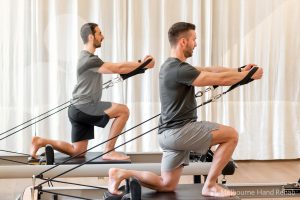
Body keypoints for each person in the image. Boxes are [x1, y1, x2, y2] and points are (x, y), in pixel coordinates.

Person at [108, 22, 263, 197]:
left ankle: (121, 173)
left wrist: (239, 70)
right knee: (231, 135)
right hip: (179, 132)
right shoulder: (178, 69)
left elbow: (211, 70)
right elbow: (215, 78)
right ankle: (210, 185)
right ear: (183, 42)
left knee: (166, 184)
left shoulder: (172, 66)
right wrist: (247, 76)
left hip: (168, 135)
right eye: (194, 39)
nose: (196, 43)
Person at [30, 23, 155, 161]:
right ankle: (109, 151)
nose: (102, 37)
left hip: (77, 109)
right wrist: (144, 64)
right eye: (99, 33)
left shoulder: (85, 58)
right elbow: (117, 67)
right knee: (123, 111)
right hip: (85, 107)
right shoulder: (90, 60)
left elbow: (120, 69)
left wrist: (142, 65)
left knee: (77, 152)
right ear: (91, 36)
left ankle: (39, 141)